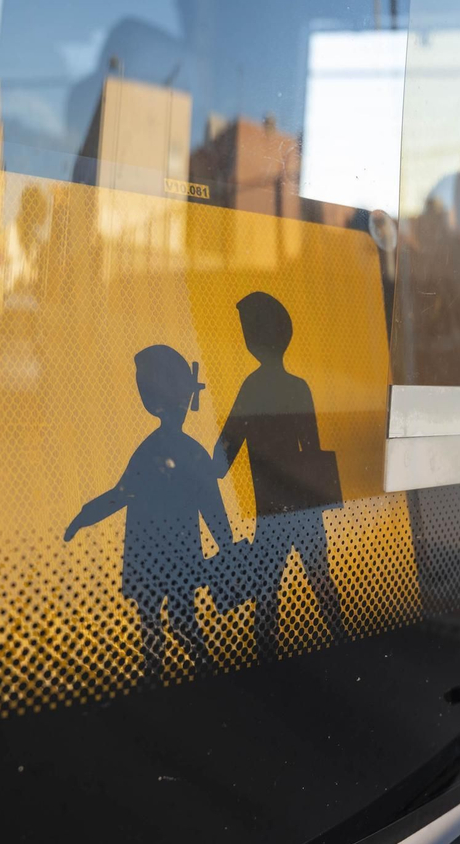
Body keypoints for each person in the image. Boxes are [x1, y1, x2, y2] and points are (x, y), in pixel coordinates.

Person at [64, 345, 241, 683]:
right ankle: (175, 677)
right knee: (175, 620)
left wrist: (83, 518)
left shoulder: (155, 450)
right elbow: (212, 507)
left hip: (155, 555)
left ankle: (163, 679)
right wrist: (227, 545)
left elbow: (120, 496)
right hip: (171, 555)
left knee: (162, 622)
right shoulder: (185, 452)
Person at [213, 292, 347, 661]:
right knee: (318, 578)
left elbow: (225, 450)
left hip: (272, 508)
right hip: (304, 506)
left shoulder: (253, 388)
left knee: (266, 586)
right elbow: (312, 449)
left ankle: (266, 654)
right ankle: (341, 640)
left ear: (253, 337)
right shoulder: (298, 387)